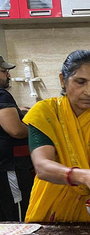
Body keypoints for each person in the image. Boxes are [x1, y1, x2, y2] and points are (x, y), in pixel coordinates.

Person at [22, 50, 90, 223]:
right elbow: (42, 166)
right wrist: (84, 177)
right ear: (63, 80)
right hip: (50, 210)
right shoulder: (45, 113)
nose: (89, 92)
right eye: (80, 82)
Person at [0, 55, 34, 221]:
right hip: (10, 168)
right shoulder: (2, 96)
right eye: (4, 71)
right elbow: (15, 130)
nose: (8, 75)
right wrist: (34, 129)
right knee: (18, 217)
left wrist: (17, 111)